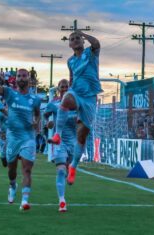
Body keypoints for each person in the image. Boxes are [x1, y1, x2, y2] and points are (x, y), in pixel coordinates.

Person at [49, 30, 102, 185]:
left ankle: (73, 166)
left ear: (82, 41)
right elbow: (72, 78)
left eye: (78, 38)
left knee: (82, 135)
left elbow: (97, 43)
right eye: (73, 39)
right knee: (65, 99)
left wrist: (84, 34)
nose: (76, 40)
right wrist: (70, 89)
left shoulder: (90, 53)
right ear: (70, 44)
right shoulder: (70, 61)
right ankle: (57, 135)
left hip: (90, 97)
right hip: (76, 92)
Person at [0, 58, 41, 211]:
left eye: (24, 76)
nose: (21, 78)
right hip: (12, 137)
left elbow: (38, 115)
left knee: (27, 169)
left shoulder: (35, 99)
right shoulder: (9, 93)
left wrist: (36, 122)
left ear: (29, 80)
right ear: (16, 79)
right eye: (19, 76)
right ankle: (12, 186)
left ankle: (24, 200)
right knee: (11, 170)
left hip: (28, 138)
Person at [44, 79, 77, 212]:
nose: (64, 88)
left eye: (66, 86)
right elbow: (45, 115)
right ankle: (62, 201)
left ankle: (70, 172)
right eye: (62, 87)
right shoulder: (54, 104)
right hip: (59, 142)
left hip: (74, 143)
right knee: (61, 170)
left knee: (69, 176)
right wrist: (48, 123)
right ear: (58, 89)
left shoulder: (76, 104)